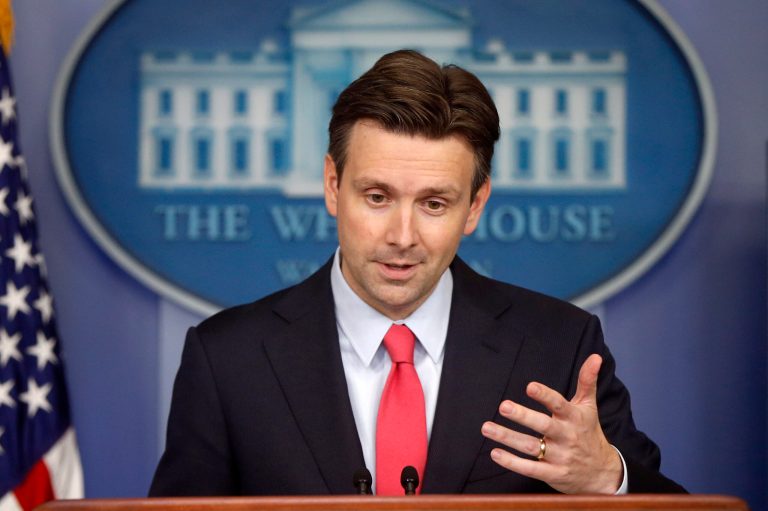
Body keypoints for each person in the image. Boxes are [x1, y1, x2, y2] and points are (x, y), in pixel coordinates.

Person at [149, 50, 684, 496]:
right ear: (333, 185)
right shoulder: (227, 358)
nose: (402, 236)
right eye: (377, 197)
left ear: (475, 206)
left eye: (434, 204)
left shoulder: (559, 345)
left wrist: (606, 477)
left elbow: (677, 506)